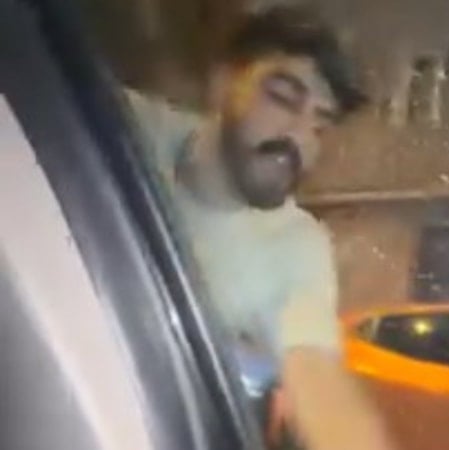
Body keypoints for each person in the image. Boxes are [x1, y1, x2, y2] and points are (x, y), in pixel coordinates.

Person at [125, 5, 391, 450]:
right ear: (222, 83)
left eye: (320, 127)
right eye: (284, 99)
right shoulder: (128, 129)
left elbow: (316, 375)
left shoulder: (295, 244)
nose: (299, 139)